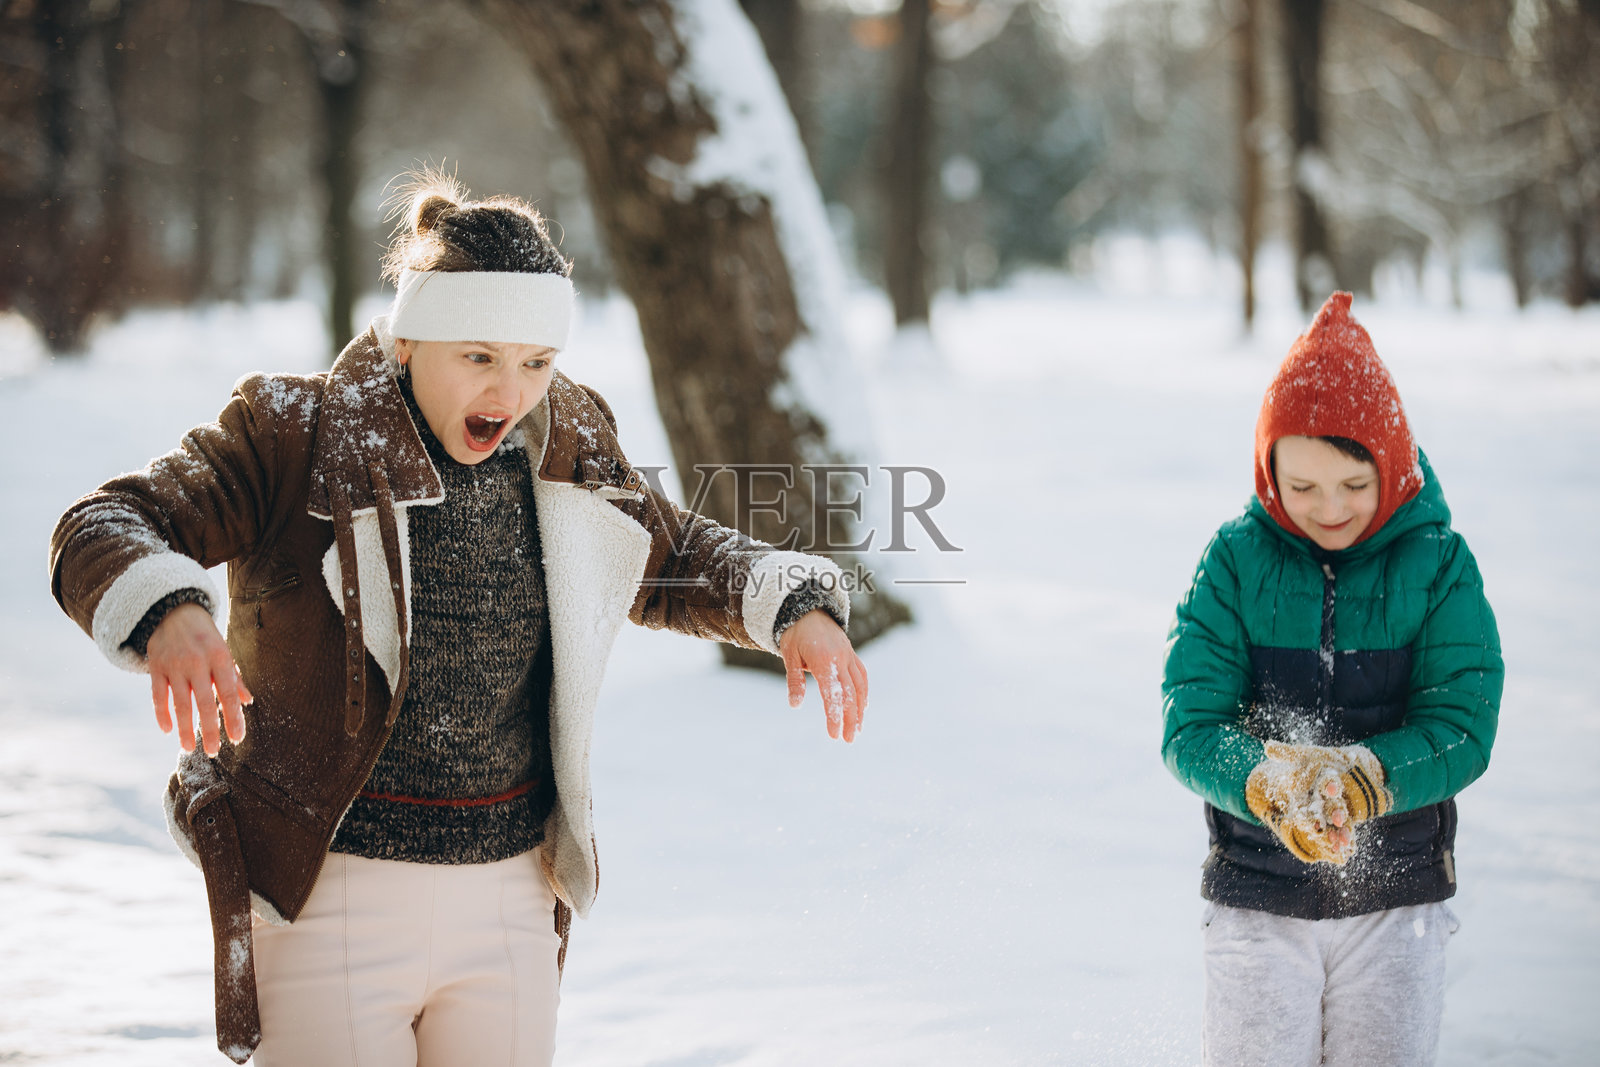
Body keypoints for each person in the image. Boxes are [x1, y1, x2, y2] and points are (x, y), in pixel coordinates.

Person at [48, 173, 868, 1066]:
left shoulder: (568, 443)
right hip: (332, 890)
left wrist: (792, 603)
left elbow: (668, 554)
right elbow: (102, 521)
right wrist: (167, 609)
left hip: (508, 896)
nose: (510, 390)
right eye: (478, 356)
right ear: (409, 342)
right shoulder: (297, 433)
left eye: (535, 362)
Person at [1161, 292, 1502, 1066]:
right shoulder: (1233, 562)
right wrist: (1265, 781)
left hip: (1397, 899)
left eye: (1354, 484)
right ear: (1268, 466)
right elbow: (1190, 721)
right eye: (1302, 486)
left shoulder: (1441, 565)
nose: (1328, 509)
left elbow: (1463, 720)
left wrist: (1365, 776)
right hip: (1257, 891)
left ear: (1391, 461)